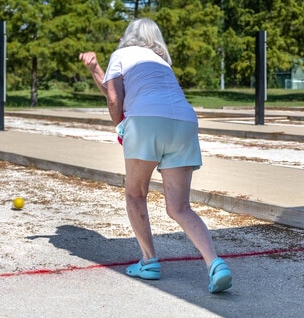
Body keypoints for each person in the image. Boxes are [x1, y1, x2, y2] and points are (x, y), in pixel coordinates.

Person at [78, 18, 232, 293]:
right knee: (180, 207)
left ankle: (149, 262)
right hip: (184, 121)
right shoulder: (161, 62)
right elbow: (119, 94)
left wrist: (121, 127)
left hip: (146, 122)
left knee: (136, 194)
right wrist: (96, 70)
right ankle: (215, 263)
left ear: (128, 35)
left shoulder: (121, 54)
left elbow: (114, 99)